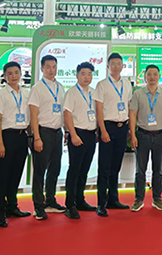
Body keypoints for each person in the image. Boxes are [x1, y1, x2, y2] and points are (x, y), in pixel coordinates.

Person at [27, 55, 66, 220]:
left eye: (54, 66)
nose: (51, 70)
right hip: (43, 132)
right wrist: (36, 137)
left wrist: (65, 131)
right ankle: (38, 205)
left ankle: (50, 200)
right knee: (40, 171)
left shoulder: (60, 87)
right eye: (48, 67)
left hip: (57, 132)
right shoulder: (37, 88)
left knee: (54, 169)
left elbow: (63, 112)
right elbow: (33, 115)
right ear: (42, 68)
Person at [94, 53, 132, 217]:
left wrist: (129, 128)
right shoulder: (102, 85)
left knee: (116, 166)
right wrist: (102, 130)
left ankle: (113, 199)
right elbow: (98, 109)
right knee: (104, 167)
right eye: (113, 64)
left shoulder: (127, 84)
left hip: (122, 127)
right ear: (108, 66)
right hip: (108, 127)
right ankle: (101, 203)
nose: (116, 66)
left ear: (122, 66)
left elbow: (128, 105)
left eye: (119, 63)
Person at [0, 62, 31, 227]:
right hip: (7, 137)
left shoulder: (26, 93)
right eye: (10, 73)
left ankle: (12, 206)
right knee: (4, 175)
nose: (14, 76)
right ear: (5, 76)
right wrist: (0, 142)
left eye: (16, 72)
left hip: (22, 136)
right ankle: (0, 212)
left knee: (16, 173)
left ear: (21, 74)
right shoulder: (1, 95)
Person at [129, 64, 162, 212]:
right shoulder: (138, 94)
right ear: (145, 76)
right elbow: (133, 114)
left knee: (158, 170)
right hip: (142, 135)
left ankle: (157, 199)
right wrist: (133, 134)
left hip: (159, 135)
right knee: (140, 170)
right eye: (149, 74)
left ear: (159, 76)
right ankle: (138, 199)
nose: (152, 77)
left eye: (155, 74)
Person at [62, 62, 98, 219]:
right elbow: (67, 114)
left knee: (84, 169)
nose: (87, 77)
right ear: (77, 75)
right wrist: (73, 134)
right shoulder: (72, 93)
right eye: (83, 74)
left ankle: (80, 200)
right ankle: (70, 204)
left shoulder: (94, 92)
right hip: (77, 134)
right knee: (74, 170)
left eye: (89, 74)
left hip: (91, 135)